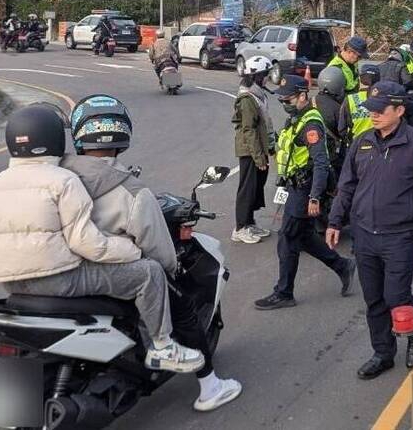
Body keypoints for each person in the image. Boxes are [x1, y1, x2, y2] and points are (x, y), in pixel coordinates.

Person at [0, 104, 204, 375]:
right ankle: (163, 347)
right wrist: (132, 251)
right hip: (57, 280)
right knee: (149, 273)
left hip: (10, 284)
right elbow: (86, 243)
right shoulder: (64, 180)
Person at [59, 95, 241, 411]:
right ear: (122, 134)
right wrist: (172, 269)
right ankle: (209, 386)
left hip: (54, 272)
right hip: (108, 273)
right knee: (179, 298)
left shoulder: (57, 175)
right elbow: (159, 250)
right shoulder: (131, 192)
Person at [327, 81, 413, 379]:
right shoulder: (363, 141)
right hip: (364, 234)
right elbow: (346, 185)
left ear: (400, 110)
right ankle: (382, 353)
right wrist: (334, 221)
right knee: (375, 300)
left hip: (399, 236)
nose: (374, 115)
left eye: (381, 111)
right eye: (371, 110)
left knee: (396, 295)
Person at [254, 75, 356, 310]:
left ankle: (284, 292)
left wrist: (314, 197)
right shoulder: (296, 118)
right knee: (303, 237)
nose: (284, 104)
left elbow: (321, 163)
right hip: (294, 186)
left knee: (287, 239)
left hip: (304, 189)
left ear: (303, 96)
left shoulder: (311, 125)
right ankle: (342, 266)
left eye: (288, 99)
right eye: (282, 100)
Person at [231, 55, 275, 245]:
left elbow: (264, 124)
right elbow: (248, 130)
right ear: (257, 76)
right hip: (250, 150)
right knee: (247, 189)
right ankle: (240, 228)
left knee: (256, 187)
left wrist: (270, 147)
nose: (266, 78)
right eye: (264, 75)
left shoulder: (257, 94)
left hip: (259, 147)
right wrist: (258, 157)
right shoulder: (247, 99)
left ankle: (249, 222)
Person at [338, 64, 381, 151]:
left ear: (360, 79)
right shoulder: (384, 99)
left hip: (357, 147)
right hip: (379, 147)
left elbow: (341, 129)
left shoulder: (350, 99)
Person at [313, 65, 347, 173]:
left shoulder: (309, 102)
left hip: (309, 155)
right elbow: (343, 133)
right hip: (330, 158)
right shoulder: (338, 109)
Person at [378, 49, 413, 130]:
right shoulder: (401, 65)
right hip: (396, 99)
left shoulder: (379, 66)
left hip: (380, 99)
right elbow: (408, 82)